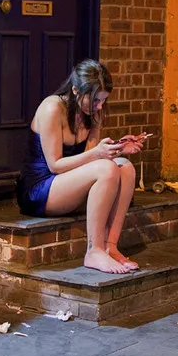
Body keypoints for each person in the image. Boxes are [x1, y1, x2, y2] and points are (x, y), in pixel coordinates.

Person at [16, 60, 149, 274]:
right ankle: (93, 251)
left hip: (69, 184)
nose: (98, 106)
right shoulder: (52, 108)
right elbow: (56, 165)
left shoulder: (94, 112)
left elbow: (92, 156)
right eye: (95, 100)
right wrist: (99, 154)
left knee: (125, 168)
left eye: (103, 101)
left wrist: (118, 148)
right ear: (76, 90)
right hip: (41, 188)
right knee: (107, 169)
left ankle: (110, 246)